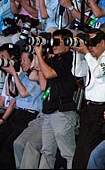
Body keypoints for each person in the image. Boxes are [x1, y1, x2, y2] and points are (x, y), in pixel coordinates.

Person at [70, 29, 105, 169]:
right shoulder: (91, 57)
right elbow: (77, 72)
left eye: (93, 44)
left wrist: (86, 54)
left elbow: (99, 72)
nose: (90, 47)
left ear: (102, 42)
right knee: (81, 147)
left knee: (91, 149)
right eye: (88, 44)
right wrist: (77, 52)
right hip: (89, 108)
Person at [0, 49, 42, 169]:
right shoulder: (21, 75)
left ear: (32, 61)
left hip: (29, 115)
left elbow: (24, 93)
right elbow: (10, 93)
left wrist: (14, 74)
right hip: (16, 113)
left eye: (25, 60)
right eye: (21, 60)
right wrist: (10, 73)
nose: (22, 63)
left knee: (9, 144)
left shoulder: (37, 77)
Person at [34, 28, 78, 169]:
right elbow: (42, 82)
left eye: (58, 42)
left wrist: (40, 56)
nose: (54, 45)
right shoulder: (54, 58)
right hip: (49, 112)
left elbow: (50, 74)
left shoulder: (69, 58)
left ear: (67, 42)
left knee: (68, 153)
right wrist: (39, 54)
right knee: (46, 152)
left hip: (62, 112)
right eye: (53, 41)